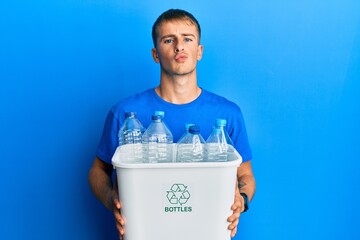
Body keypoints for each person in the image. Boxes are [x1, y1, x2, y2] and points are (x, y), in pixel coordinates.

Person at [88, 8, 256, 239]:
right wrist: (112, 200)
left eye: (187, 39)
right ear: (156, 54)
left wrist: (241, 199)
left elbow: (245, 175)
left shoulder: (227, 113)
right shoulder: (125, 113)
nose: (179, 46)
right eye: (169, 40)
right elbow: (98, 170)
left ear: (199, 51)